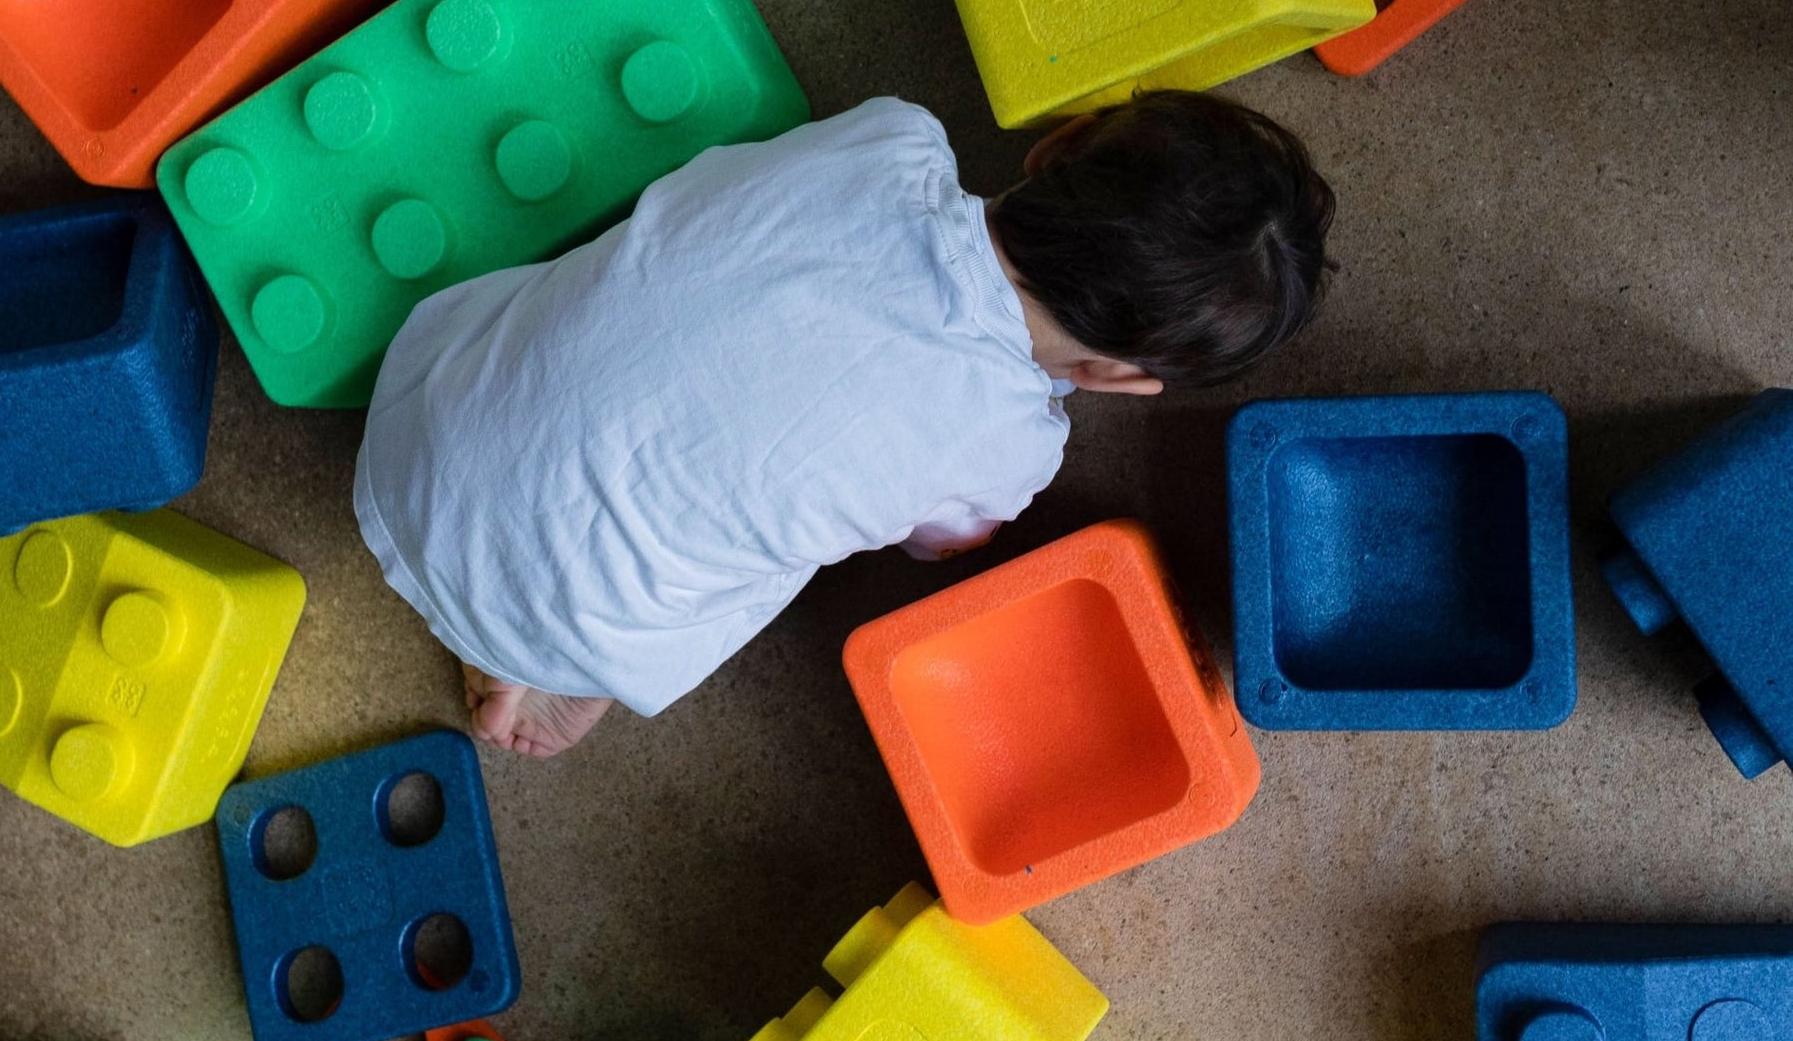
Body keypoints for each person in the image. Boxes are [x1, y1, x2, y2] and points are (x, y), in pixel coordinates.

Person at [354, 91, 1335, 758]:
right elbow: (938, 541)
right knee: (785, 516)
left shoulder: (890, 136)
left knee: (654, 353)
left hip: (424, 422)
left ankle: (507, 613)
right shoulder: (1013, 448)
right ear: (1116, 378)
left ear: (1053, 145)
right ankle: (540, 654)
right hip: (586, 616)